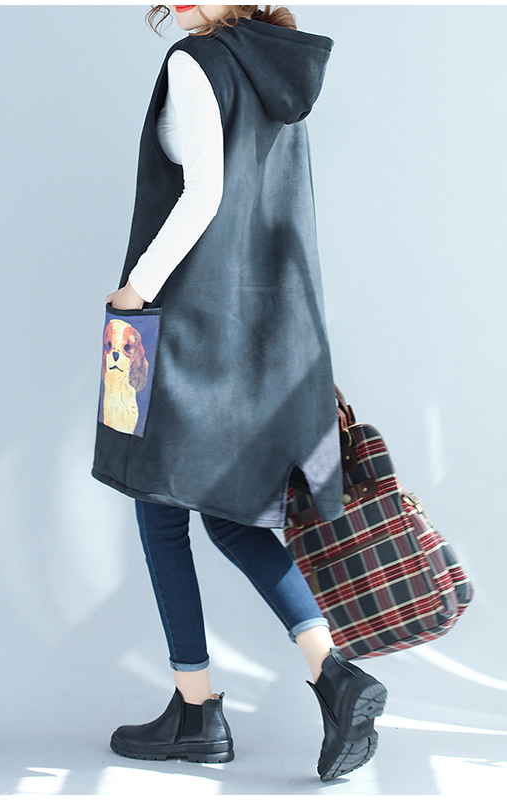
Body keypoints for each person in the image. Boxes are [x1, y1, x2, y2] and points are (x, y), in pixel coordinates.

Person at [95, 5, 387, 781]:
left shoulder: (195, 61)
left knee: (156, 505)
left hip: (177, 322)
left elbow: (204, 193)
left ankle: (196, 710)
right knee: (227, 515)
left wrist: (136, 289)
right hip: (258, 331)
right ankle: (334, 674)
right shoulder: (276, 68)